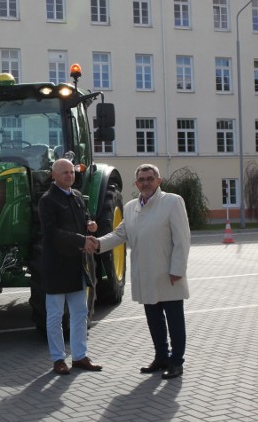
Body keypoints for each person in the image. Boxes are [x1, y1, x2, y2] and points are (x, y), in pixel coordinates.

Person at [91, 163, 191, 380]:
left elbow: (182, 239)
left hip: (168, 274)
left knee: (175, 321)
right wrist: (96, 244)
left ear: (159, 181)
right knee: (154, 320)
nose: (146, 183)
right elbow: (120, 234)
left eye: (150, 178)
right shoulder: (130, 207)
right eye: (142, 180)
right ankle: (161, 357)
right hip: (144, 274)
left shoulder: (172, 202)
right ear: (136, 184)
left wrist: (177, 269)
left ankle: (176, 362)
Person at [37, 158, 102, 375]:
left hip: (77, 266)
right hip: (56, 266)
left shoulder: (76, 197)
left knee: (80, 312)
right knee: (55, 316)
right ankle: (58, 359)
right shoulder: (47, 200)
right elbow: (52, 233)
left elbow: (82, 221)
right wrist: (80, 240)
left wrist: (89, 225)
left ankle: (80, 356)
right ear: (53, 175)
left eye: (72, 172)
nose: (69, 176)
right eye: (64, 172)